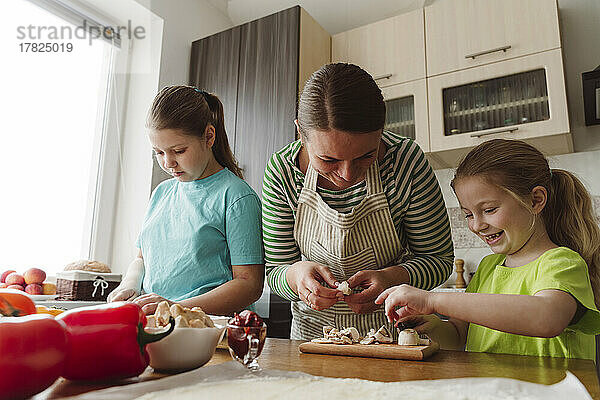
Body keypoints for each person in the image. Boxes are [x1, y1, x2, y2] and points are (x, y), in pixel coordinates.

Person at [262, 63, 454, 340]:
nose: (347, 174)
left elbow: (438, 260)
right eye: (328, 160)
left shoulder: (406, 163)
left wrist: (391, 278)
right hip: (313, 336)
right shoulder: (283, 171)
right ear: (301, 134)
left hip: (396, 330)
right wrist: (296, 276)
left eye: (366, 155)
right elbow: (276, 271)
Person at [376, 139, 600, 359]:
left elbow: (547, 318)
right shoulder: (487, 267)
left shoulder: (562, 262)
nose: (476, 225)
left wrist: (432, 300)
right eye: (468, 214)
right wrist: (432, 326)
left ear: (535, 200)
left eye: (489, 209)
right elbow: (458, 337)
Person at [107, 86, 265, 316]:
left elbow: (249, 285)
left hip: (207, 331)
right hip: (157, 324)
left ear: (209, 136)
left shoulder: (237, 197)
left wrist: (177, 308)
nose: (168, 163)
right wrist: (129, 285)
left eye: (178, 151)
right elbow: (142, 259)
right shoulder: (161, 193)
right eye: (159, 152)